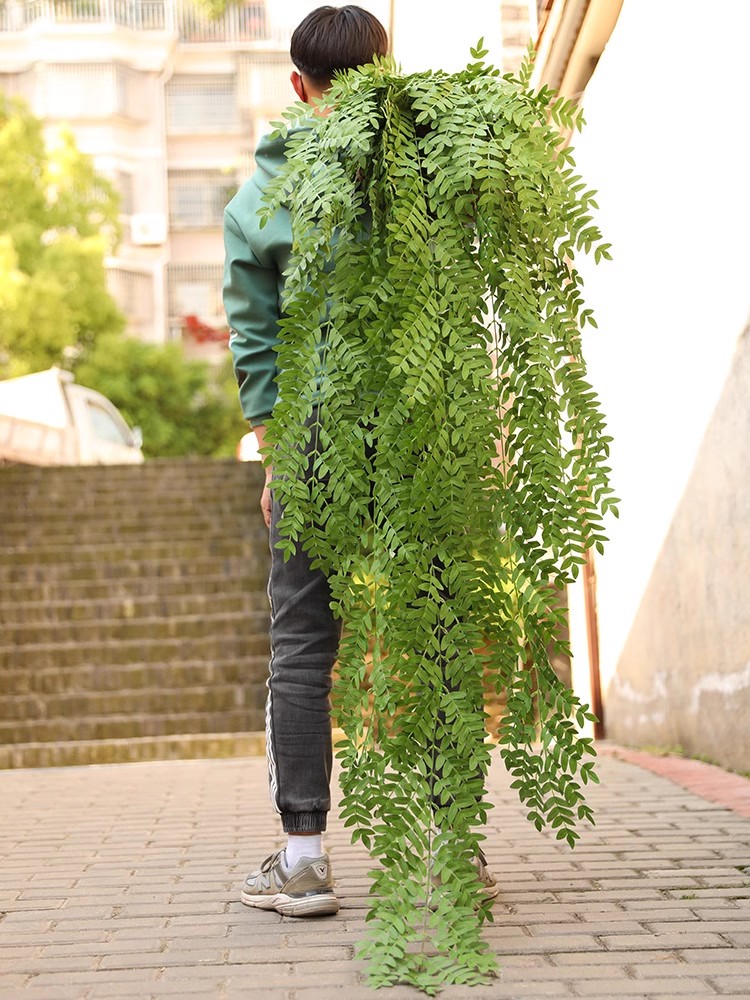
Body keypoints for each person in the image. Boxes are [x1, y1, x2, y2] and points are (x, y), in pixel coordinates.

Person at [223, 4, 497, 919]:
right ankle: (449, 855)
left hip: (313, 431)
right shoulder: (436, 160)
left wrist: (272, 448)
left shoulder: (261, 194)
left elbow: (254, 336)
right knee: (438, 624)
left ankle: (304, 861)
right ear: (386, 72)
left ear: (297, 87)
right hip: (423, 420)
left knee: (303, 644)